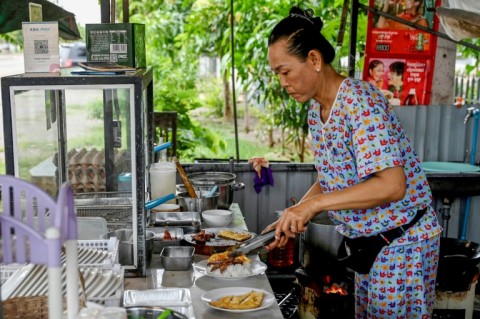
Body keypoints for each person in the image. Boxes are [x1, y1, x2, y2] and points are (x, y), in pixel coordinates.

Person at [264, 6, 442, 318]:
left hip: (402, 246)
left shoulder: (359, 102)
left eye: (285, 71)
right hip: (368, 247)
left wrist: (315, 207)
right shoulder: (316, 112)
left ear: (315, 60)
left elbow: (392, 185)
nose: (283, 83)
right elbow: (332, 177)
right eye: (277, 74)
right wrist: (293, 214)